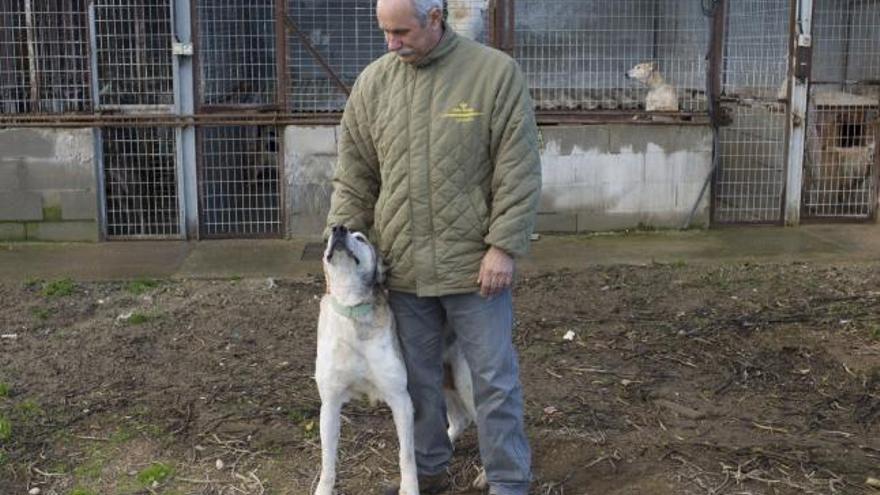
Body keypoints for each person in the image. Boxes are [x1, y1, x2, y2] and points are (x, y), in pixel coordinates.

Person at [325, 0, 541, 493]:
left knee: (492, 381)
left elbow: (518, 167)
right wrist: (337, 247)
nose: (390, 43)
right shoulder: (374, 83)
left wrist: (504, 246)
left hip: (475, 270)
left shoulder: (493, 75)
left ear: (436, 20)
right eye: (384, 32)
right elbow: (354, 175)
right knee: (417, 384)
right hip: (403, 271)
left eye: (401, 32)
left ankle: (509, 481)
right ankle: (425, 473)